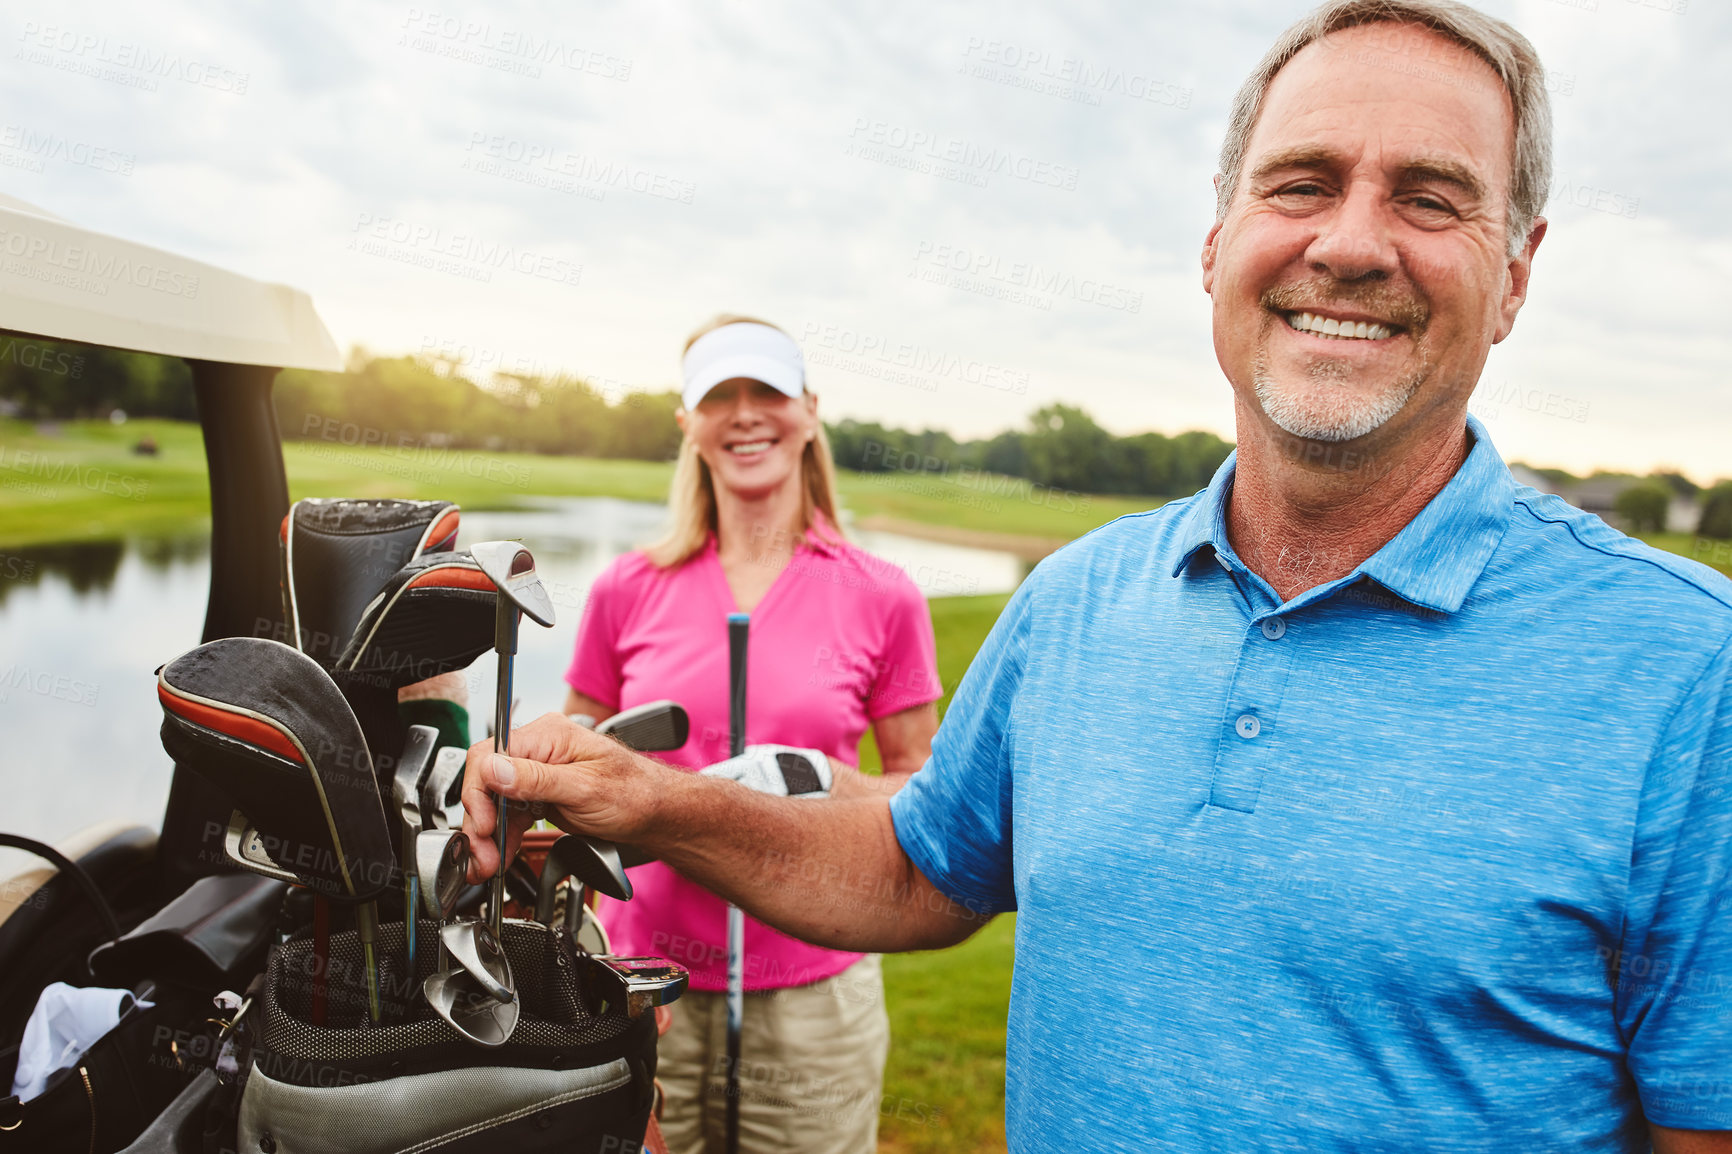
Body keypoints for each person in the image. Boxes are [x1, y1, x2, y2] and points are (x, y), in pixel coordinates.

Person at [463, 3, 1732, 1150]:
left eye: (1430, 197)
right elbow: (915, 864)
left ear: (1514, 271)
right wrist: (654, 800)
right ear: (1214, 241)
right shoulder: (1075, 599)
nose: (1350, 243)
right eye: (1299, 183)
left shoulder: (1689, 672)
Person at [556, 315, 942, 1153]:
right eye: (718, 397)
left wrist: (812, 782)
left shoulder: (884, 595)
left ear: (807, 409)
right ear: (686, 422)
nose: (744, 414)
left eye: (765, 391)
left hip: (816, 992)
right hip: (642, 981)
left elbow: (924, 790)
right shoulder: (626, 587)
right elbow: (580, 751)